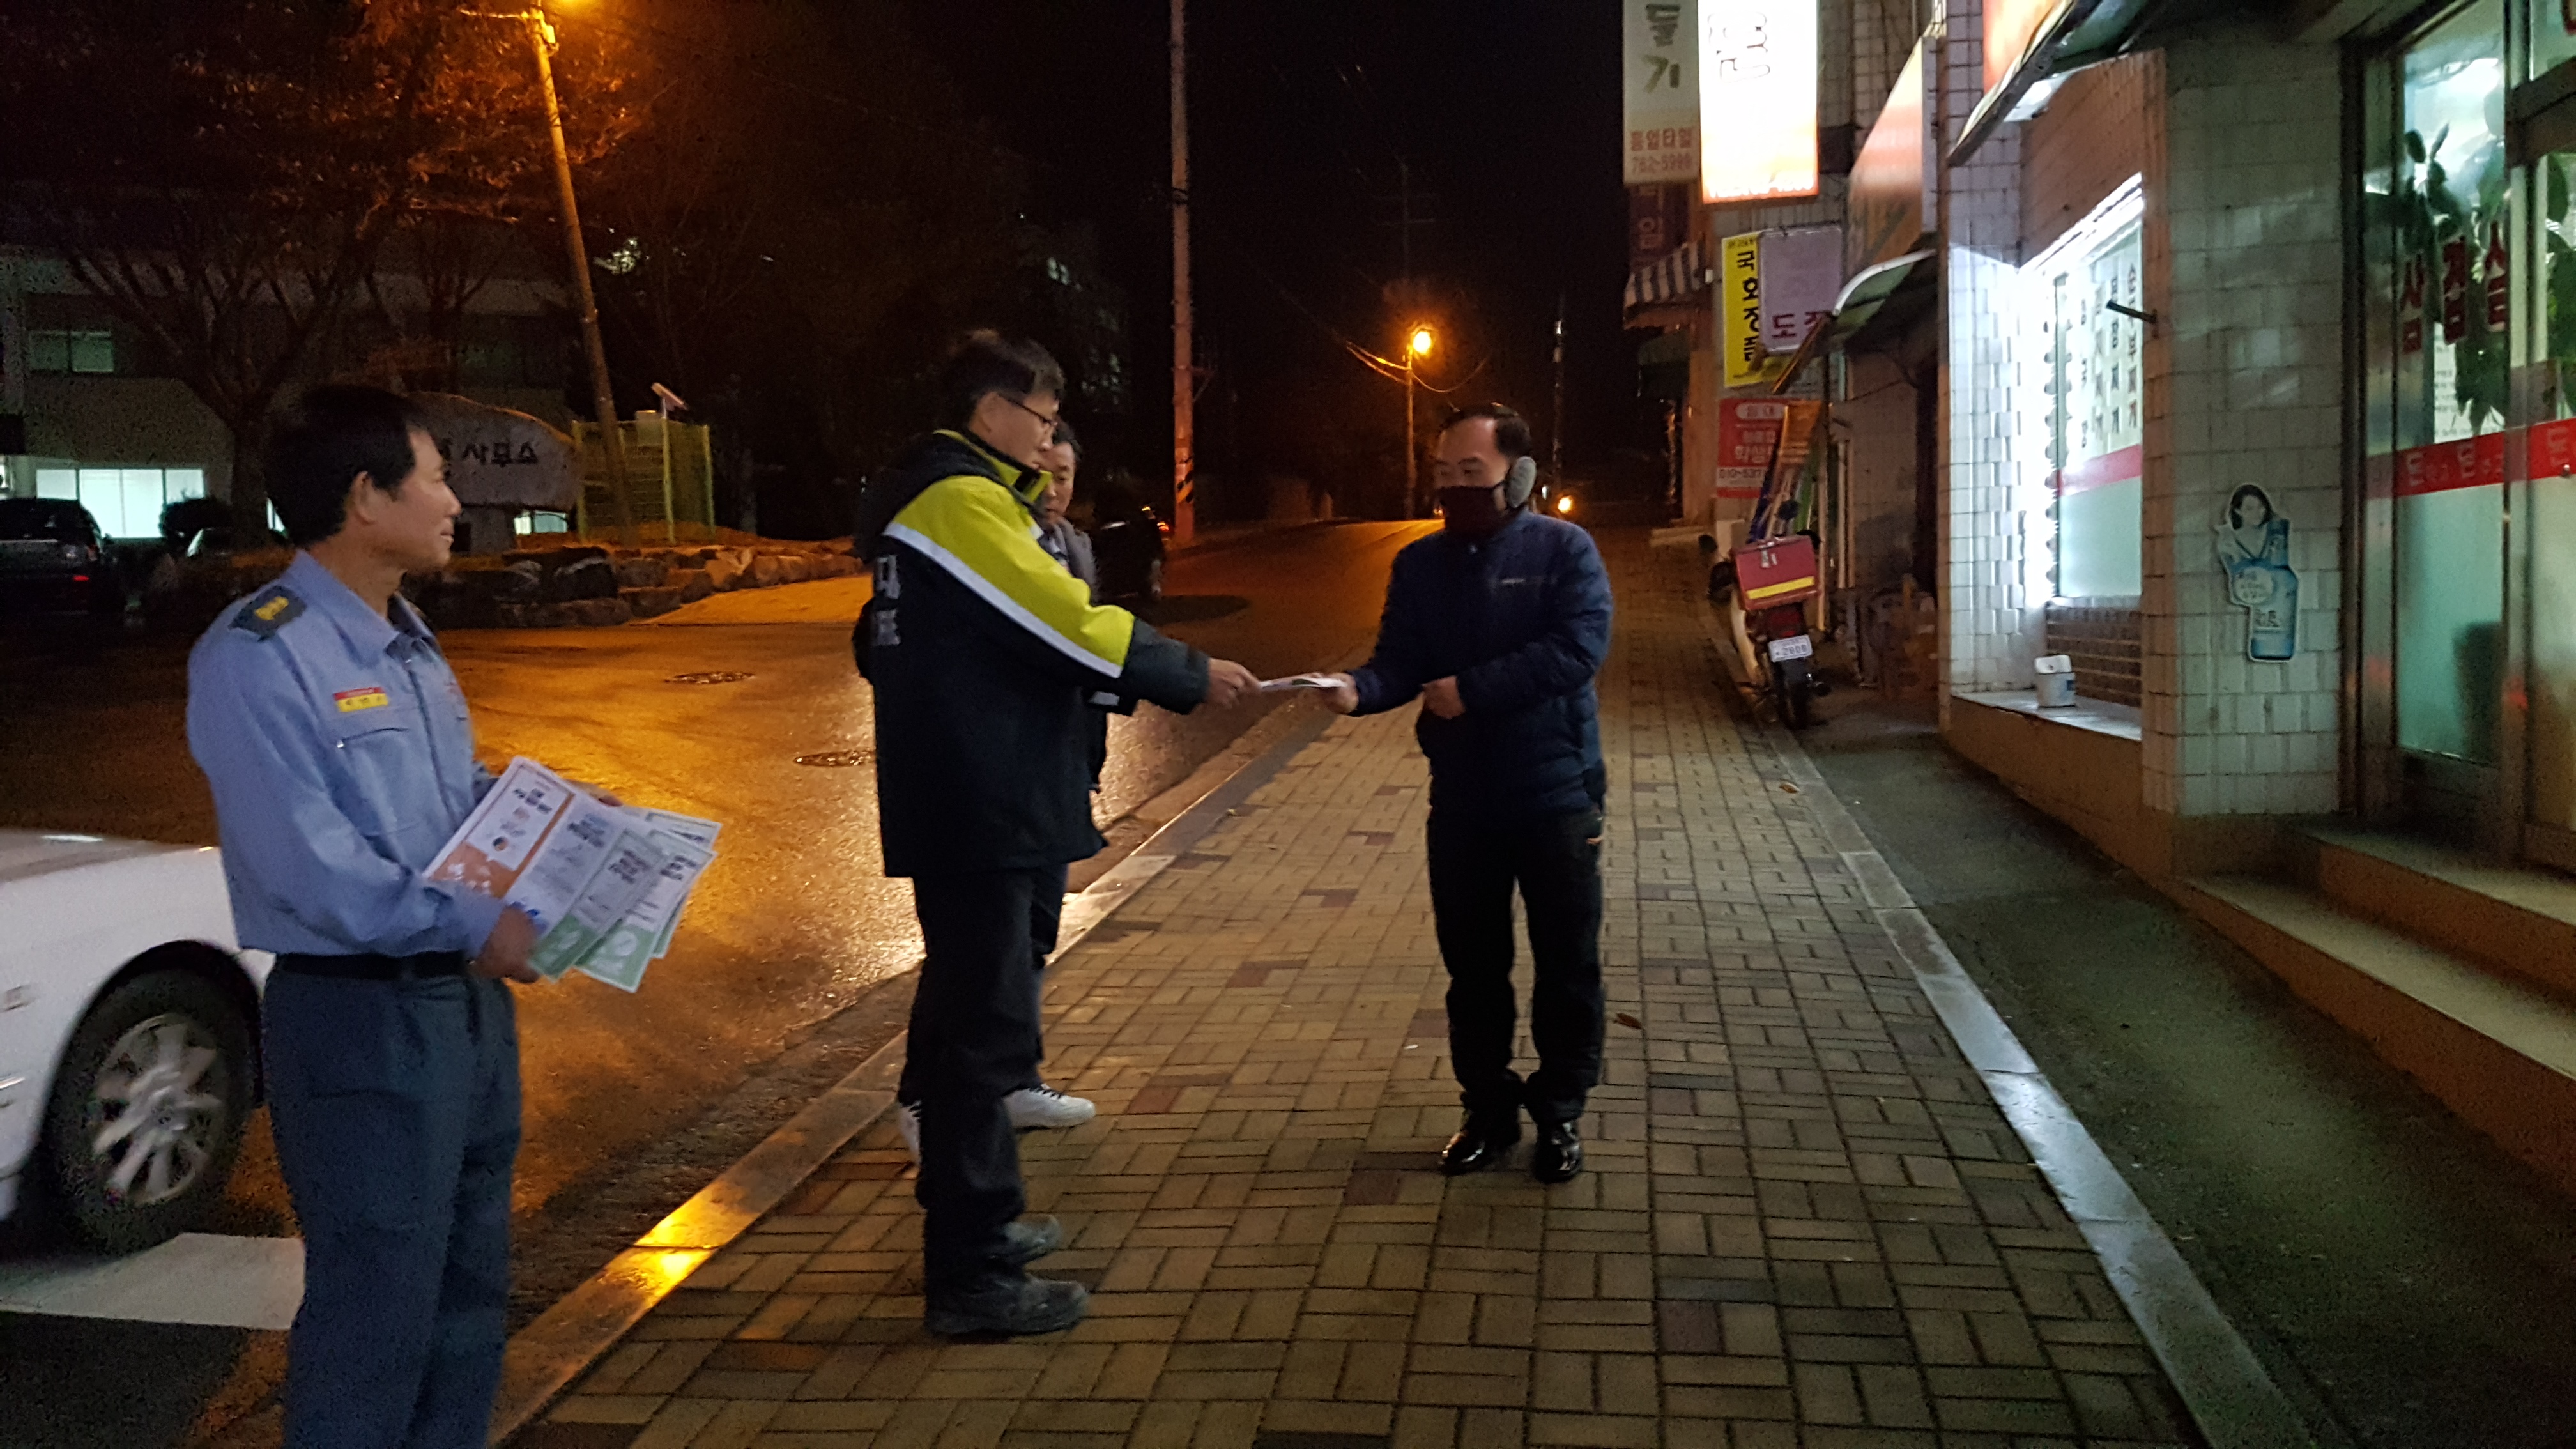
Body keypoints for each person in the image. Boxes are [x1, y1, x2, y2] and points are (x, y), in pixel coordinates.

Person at [853, 331, 1257, 1335]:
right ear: (989, 411)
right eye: (1040, 417)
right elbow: (1059, 623)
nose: (1049, 438)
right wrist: (1186, 671)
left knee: (966, 1024)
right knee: (981, 1040)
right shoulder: (959, 501)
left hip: (979, 796)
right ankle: (972, 1272)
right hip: (982, 802)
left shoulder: (947, 501)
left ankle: (973, 1226)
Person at [188, 383, 540, 1448]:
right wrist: (477, 924)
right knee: (375, 1314)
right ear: (364, 497)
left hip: (464, 1016)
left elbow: (445, 805)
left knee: (468, 1301)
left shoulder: (408, 640)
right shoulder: (259, 654)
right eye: (433, 477)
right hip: (359, 1024)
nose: (453, 501)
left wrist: (547, 816)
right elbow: (315, 872)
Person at [1321, 403, 1613, 1184]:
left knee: (1568, 967)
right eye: (1445, 473)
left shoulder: (1564, 551)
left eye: (1472, 472)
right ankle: (1487, 1110)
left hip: (1557, 795)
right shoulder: (1420, 564)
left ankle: (1560, 1114)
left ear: (1518, 476)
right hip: (1464, 803)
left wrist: (1472, 691)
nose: (1455, 487)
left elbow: (1577, 649)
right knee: (1474, 970)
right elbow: (1399, 661)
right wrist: (1357, 689)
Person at [888, 417, 1112, 1162]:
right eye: (1042, 472)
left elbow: (1085, 650)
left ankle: (1013, 1082)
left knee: (1031, 942)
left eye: (1065, 477)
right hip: (988, 788)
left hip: (1056, 772)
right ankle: (926, 1098)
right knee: (973, 955)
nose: (1052, 490)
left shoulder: (1073, 546)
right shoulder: (969, 537)